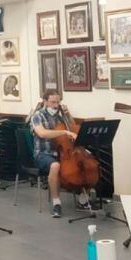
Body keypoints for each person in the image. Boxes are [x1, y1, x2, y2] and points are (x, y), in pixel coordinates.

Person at [30, 89, 91, 218]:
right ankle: (56, 202)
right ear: (45, 101)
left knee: (87, 164)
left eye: (58, 102)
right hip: (43, 153)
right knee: (55, 166)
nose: (56, 105)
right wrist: (63, 132)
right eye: (53, 102)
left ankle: (83, 199)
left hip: (62, 152)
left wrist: (68, 116)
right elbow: (42, 133)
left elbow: (73, 129)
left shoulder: (60, 115)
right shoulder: (37, 116)